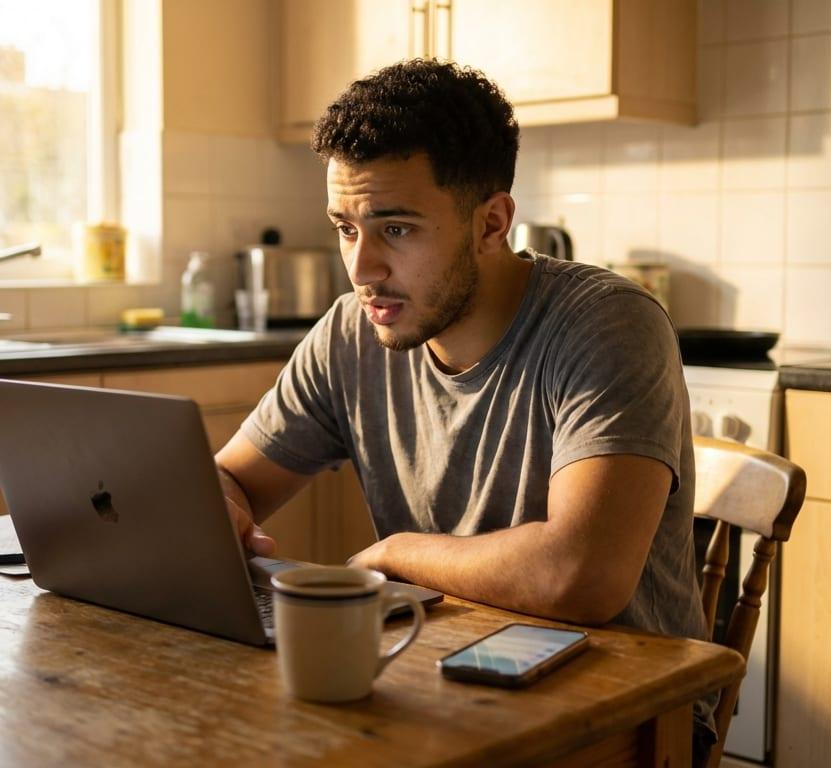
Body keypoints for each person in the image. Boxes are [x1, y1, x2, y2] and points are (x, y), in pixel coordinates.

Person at [213, 59, 712, 752]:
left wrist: (397, 553)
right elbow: (231, 479)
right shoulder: (350, 332)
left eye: (396, 229)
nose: (361, 269)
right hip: (442, 675)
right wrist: (216, 512)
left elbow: (581, 576)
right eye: (346, 227)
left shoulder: (609, 325)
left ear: (492, 222)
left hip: (628, 712)